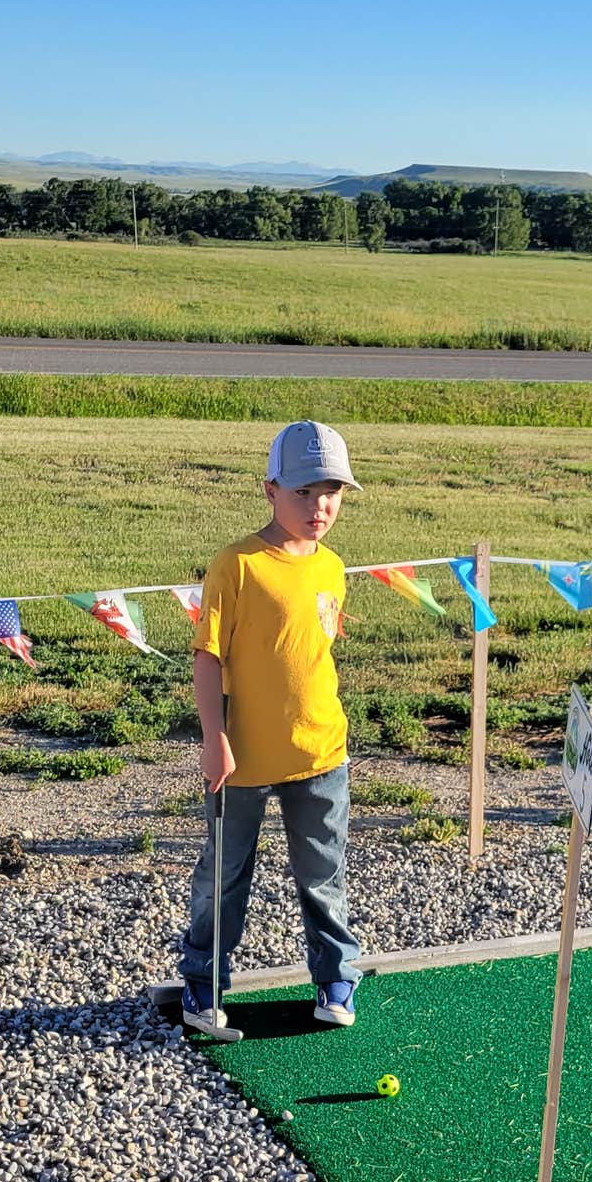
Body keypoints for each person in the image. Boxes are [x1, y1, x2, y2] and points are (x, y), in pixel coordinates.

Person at [178, 421, 364, 1034]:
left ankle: (336, 976)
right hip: (241, 762)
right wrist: (214, 738)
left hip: (321, 753)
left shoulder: (333, 567)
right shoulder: (237, 565)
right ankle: (203, 981)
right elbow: (208, 657)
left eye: (331, 491)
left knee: (323, 875)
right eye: (303, 491)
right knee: (224, 877)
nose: (319, 506)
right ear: (270, 491)